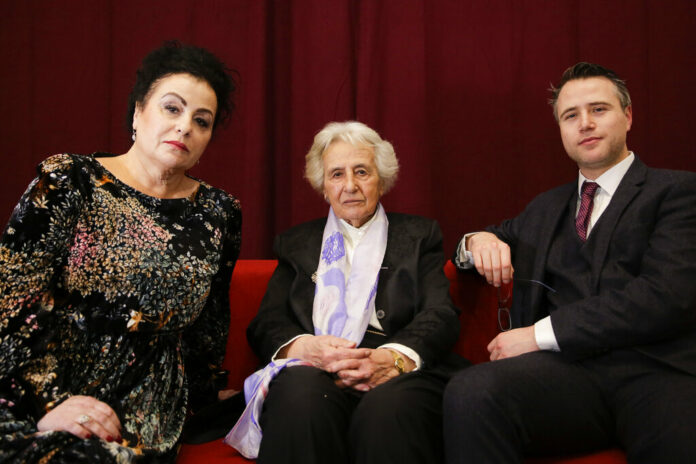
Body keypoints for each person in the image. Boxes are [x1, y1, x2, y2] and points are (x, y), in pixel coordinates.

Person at [0, 42, 242, 463]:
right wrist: (50, 401)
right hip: (34, 385)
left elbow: (209, 328)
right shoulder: (70, 180)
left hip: (140, 405)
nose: (185, 127)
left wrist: (208, 397)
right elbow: (10, 301)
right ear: (137, 112)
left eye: (201, 121)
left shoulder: (219, 212)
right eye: (172, 108)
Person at [444, 62, 696, 463]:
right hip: (568, 379)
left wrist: (538, 335)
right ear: (561, 129)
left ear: (628, 116)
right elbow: (483, 242)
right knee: (471, 392)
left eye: (598, 110)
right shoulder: (545, 209)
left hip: (657, 372)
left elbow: (666, 297)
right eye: (571, 115)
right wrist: (478, 240)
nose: (585, 124)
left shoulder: (679, 193)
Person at [224, 121, 466, 464]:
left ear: (381, 181)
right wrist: (306, 347)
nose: (350, 186)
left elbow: (439, 314)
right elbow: (267, 322)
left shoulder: (418, 235)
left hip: (392, 368)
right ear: (323, 186)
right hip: (317, 367)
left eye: (362, 172)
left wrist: (393, 357)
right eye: (337, 174)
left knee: (387, 410)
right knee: (300, 397)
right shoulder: (296, 244)